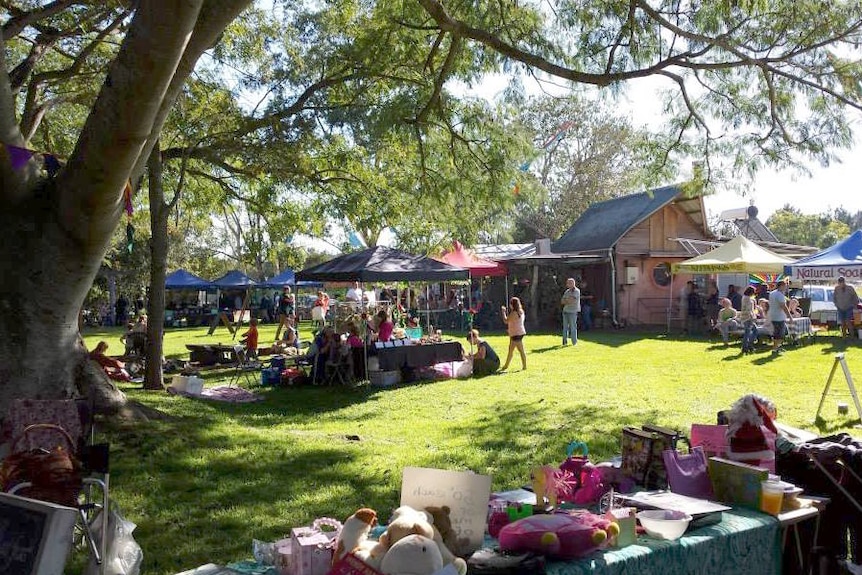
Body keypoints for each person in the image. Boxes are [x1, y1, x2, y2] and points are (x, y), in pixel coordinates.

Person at [500, 296, 527, 371]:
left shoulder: (514, 313)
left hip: (516, 334)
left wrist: (503, 312)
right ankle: (506, 365)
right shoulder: (521, 311)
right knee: (511, 350)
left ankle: (524, 366)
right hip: (519, 332)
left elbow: (506, 321)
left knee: (520, 350)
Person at [768, 280, 792, 356]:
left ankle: (777, 348)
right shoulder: (779, 295)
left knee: (779, 333)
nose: (786, 287)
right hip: (779, 317)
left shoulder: (772, 293)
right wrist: (790, 316)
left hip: (773, 315)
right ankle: (775, 349)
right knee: (780, 334)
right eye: (785, 286)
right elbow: (783, 306)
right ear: (781, 286)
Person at [560, 277, 580, 346]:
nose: (567, 284)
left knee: (573, 327)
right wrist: (567, 300)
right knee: (565, 327)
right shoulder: (567, 291)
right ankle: (564, 342)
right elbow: (562, 301)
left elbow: (571, 301)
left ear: (573, 283)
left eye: (569, 283)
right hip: (565, 311)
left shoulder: (577, 291)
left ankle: (574, 342)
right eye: (567, 283)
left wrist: (567, 300)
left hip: (573, 312)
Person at [740, 286, 758, 354]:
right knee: (749, 332)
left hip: (745, 317)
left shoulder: (744, 297)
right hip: (748, 318)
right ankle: (746, 347)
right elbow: (749, 309)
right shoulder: (747, 299)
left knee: (751, 331)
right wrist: (752, 317)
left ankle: (748, 346)